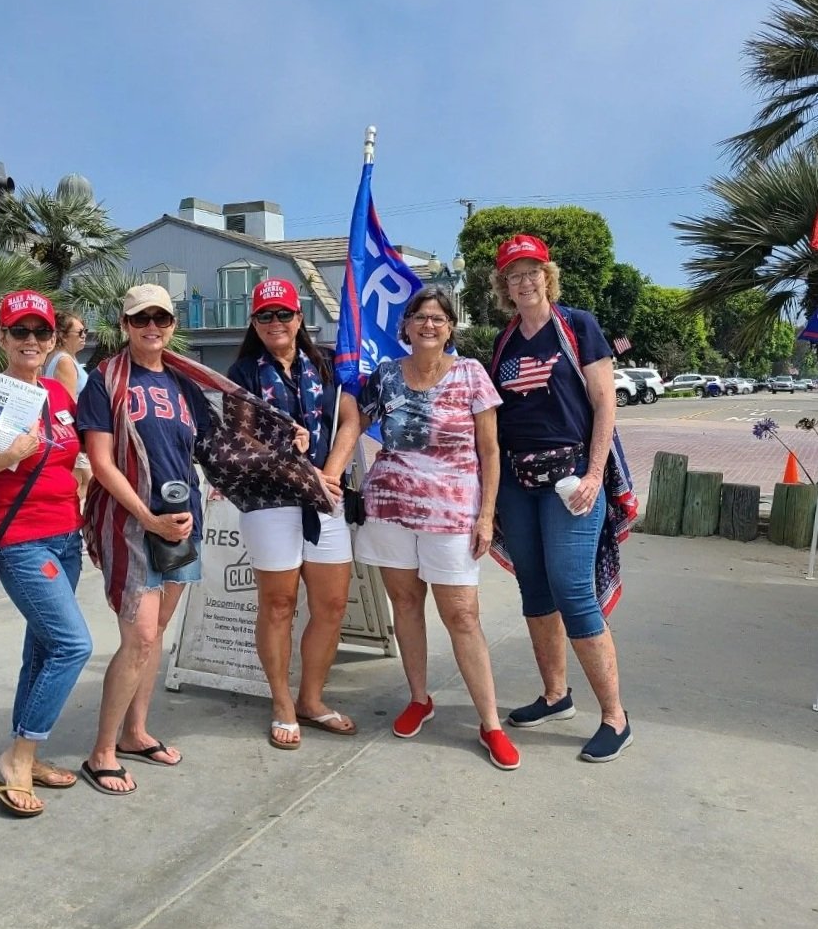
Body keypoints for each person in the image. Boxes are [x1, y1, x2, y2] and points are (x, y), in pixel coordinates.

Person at [353, 287, 520, 770]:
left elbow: (490, 452)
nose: (429, 325)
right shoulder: (385, 375)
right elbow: (351, 422)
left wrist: (486, 516)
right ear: (405, 327)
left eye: (439, 319)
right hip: (390, 509)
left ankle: (489, 723)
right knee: (405, 605)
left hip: (451, 515)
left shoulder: (471, 374)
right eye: (420, 318)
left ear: (450, 328)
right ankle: (419, 697)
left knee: (462, 616)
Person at [487, 234, 636, 763]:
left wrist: (596, 473)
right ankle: (556, 695)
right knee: (534, 588)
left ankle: (615, 717)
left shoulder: (577, 326)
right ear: (503, 285)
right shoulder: (505, 343)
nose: (524, 282)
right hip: (517, 483)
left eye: (532, 272)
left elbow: (604, 404)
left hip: (571, 476)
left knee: (573, 590)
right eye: (513, 274)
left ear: (546, 276)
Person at [0, 290, 92, 817]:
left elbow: (73, 452)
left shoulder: (58, 391)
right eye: (20, 332)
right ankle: (17, 756)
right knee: (73, 645)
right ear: (2, 338)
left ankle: (29, 758)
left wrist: (83, 473)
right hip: (21, 540)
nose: (31, 341)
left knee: (42, 649)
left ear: (53, 339)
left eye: (41, 332)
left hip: (66, 537)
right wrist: (9, 454)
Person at [77, 284, 212, 794]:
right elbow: (103, 463)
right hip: (132, 526)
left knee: (155, 637)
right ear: (124, 324)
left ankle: (135, 732)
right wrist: (148, 517)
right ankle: (102, 752)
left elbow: (212, 444)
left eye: (161, 318)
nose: (151, 327)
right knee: (140, 637)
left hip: (182, 524)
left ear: (173, 325)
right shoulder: (105, 381)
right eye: (141, 319)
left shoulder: (185, 382)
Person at [227, 278, 361, 750]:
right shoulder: (242, 374)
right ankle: (282, 702)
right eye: (265, 316)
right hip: (270, 502)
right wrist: (294, 460)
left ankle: (312, 698)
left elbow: (351, 419)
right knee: (279, 605)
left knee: (331, 606)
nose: (275, 323)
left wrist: (330, 472)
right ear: (255, 323)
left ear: (300, 317)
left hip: (324, 498)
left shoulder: (327, 364)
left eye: (283, 314)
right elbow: (240, 444)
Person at [43, 310, 92, 501]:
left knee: (79, 483)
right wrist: (76, 440)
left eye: (85, 331)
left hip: (69, 432)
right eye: (79, 332)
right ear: (63, 336)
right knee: (89, 483)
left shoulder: (62, 359)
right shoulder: (64, 361)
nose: (84, 336)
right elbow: (67, 404)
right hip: (72, 433)